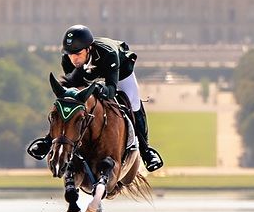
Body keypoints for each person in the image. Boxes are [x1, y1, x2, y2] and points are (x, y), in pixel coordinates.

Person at [27, 24, 164, 172]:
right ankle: (48, 142)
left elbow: (111, 89)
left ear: (89, 48)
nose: (74, 59)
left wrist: (98, 87)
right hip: (91, 76)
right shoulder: (67, 59)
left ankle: (146, 151)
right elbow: (72, 95)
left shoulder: (108, 53)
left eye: (78, 54)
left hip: (120, 70)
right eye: (70, 54)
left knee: (133, 101)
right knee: (69, 104)